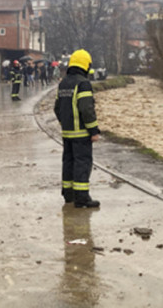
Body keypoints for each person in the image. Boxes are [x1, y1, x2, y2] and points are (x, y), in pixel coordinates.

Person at [54, 49, 101, 208]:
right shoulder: (83, 83)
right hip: (81, 133)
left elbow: (57, 108)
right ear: (85, 65)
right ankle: (82, 197)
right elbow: (87, 109)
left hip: (67, 133)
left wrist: (64, 123)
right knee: (82, 163)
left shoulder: (63, 83)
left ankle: (68, 195)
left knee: (68, 162)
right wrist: (94, 130)